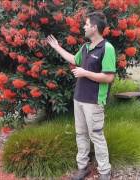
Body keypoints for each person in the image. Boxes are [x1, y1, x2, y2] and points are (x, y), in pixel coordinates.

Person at [47, 11, 116, 180]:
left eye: (86, 24)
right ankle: (83, 168)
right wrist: (57, 47)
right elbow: (74, 59)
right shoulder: (85, 47)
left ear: (94, 27)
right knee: (81, 134)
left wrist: (85, 73)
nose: (83, 27)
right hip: (79, 99)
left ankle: (105, 172)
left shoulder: (107, 48)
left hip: (94, 101)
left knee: (96, 136)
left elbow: (108, 77)